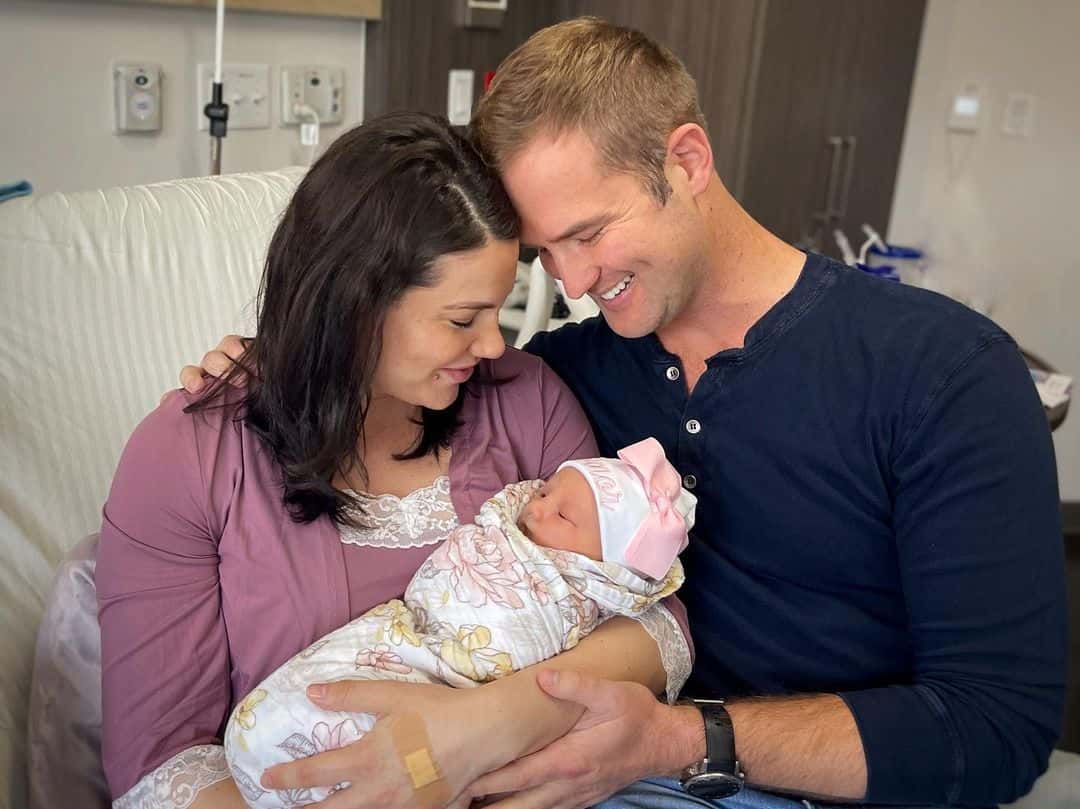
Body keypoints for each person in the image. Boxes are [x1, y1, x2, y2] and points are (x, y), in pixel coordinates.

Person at [184, 17, 1067, 809]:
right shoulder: (559, 377)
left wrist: (681, 738)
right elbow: (395, 362)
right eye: (544, 254)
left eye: (588, 233)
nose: (571, 281)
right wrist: (275, 361)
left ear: (687, 161)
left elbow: (999, 728)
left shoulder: (943, 374)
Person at [98, 111, 694, 809]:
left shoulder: (526, 400)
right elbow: (160, 764)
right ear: (353, 305)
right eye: (462, 319)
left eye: (498, 310)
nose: (494, 345)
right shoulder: (187, 456)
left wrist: (488, 724)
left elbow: (652, 623)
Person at [224, 438, 696, 809]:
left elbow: (656, 627)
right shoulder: (504, 526)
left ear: (605, 565)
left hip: (462, 687)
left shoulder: (590, 591)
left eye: (562, 515)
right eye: (544, 491)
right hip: (406, 637)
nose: (535, 508)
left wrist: (491, 719)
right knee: (297, 712)